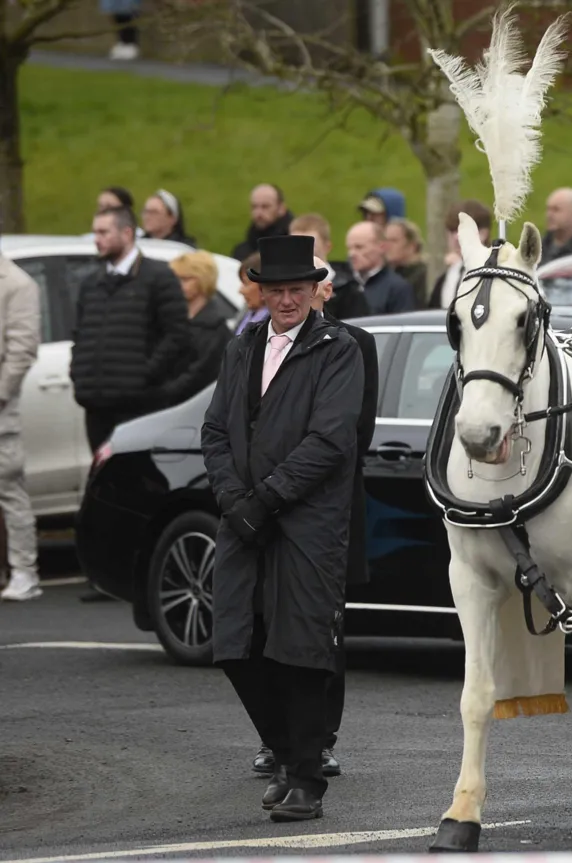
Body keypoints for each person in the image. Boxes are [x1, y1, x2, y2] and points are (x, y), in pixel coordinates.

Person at [202, 234, 365, 823]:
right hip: (243, 516)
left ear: (315, 290)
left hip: (306, 523)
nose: (287, 299)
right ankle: (292, 754)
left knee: (299, 651)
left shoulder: (336, 348)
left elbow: (330, 440)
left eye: (297, 289)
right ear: (261, 292)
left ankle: (304, 779)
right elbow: (216, 430)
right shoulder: (243, 345)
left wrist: (265, 500)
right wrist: (232, 498)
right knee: (235, 645)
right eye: (276, 290)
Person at [250, 256, 377, 781]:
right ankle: (275, 737)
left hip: (328, 503)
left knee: (324, 630)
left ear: (322, 291)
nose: (300, 298)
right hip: (267, 503)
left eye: (309, 287)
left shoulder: (350, 346)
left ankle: (320, 738)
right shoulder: (254, 345)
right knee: (264, 627)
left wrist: (301, 486)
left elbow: (352, 432)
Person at [70, 207, 190, 452]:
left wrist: (143, 376)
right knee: (103, 482)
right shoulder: (91, 284)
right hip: (96, 405)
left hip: (139, 407)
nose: (96, 239)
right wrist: (79, 374)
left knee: (139, 482)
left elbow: (178, 335)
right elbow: (80, 335)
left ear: (126, 233)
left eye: (103, 232)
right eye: (95, 232)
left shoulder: (158, 277)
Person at [0, 241, 40, 603]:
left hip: (0, 410)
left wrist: (0, 393)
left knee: (9, 488)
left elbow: (23, 348)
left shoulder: (16, 283)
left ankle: (25, 571)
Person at [159, 251, 233, 407]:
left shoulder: (215, 327)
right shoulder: (170, 318)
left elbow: (199, 373)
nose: (177, 284)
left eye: (185, 279)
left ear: (202, 280)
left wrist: (161, 394)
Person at [345, 221, 415, 315]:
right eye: (349, 248)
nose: (351, 254)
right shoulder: (342, 284)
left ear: (382, 247)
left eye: (359, 247)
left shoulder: (397, 289)